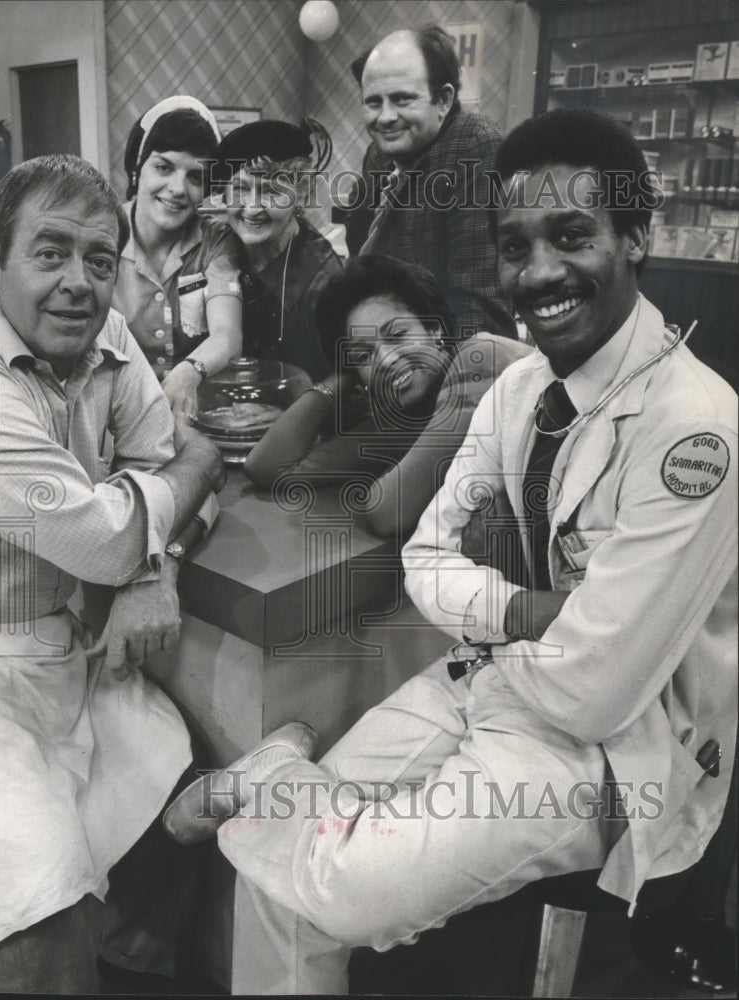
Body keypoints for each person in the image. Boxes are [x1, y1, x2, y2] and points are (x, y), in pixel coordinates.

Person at [160, 108, 737, 994]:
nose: (537, 271)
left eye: (570, 235)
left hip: (615, 749)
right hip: (482, 676)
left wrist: (494, 621)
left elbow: (595, 694)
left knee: (344, 889)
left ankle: (273, 769)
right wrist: (527, 614)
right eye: (513, 246)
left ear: (634, 238)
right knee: (280, 889)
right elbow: (423, 556)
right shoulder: (519, 388)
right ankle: (281, 784)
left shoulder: (694, 430)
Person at [0, 153, 226, 994]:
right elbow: (129, 517)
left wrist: (152, 568)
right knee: (35, 915)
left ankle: (123, 960)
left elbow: (150, 474)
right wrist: (185, 478)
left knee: (183, 794)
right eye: (49, 253)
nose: (77, 284)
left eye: (98, 261)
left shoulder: (107, 334)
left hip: (63, 642)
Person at [243, 254, 530, 537]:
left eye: (396, 336)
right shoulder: (403, 415)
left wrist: (362, 361)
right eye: (364, 355)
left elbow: (388, 513)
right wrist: (344, 375)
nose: (387, 360)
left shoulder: (481, 360)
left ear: (434, 329)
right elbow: (267, 467)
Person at [349, 24, 516, 341]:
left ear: (443, 100)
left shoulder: (474, 145)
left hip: (444, 356)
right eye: (373, 102)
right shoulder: (379, 155)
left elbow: (480, 314)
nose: (385, 117)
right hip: (380, 345)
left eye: (402, 99)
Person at [114, 95, 243, 419]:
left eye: (195, 177)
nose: (177, 188)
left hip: (187, 411)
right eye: (164, 167)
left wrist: (190, 370)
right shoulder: (102, 232)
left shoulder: (216, 241)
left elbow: (227, 333)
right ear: (137, 170)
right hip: (113, 411)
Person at [216, 117, 341, 380]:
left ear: (302, 195)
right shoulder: (216, 247)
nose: (252, 208)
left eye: (271, 191)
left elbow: (344, 378)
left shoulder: (324, 279)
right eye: (240, 188)